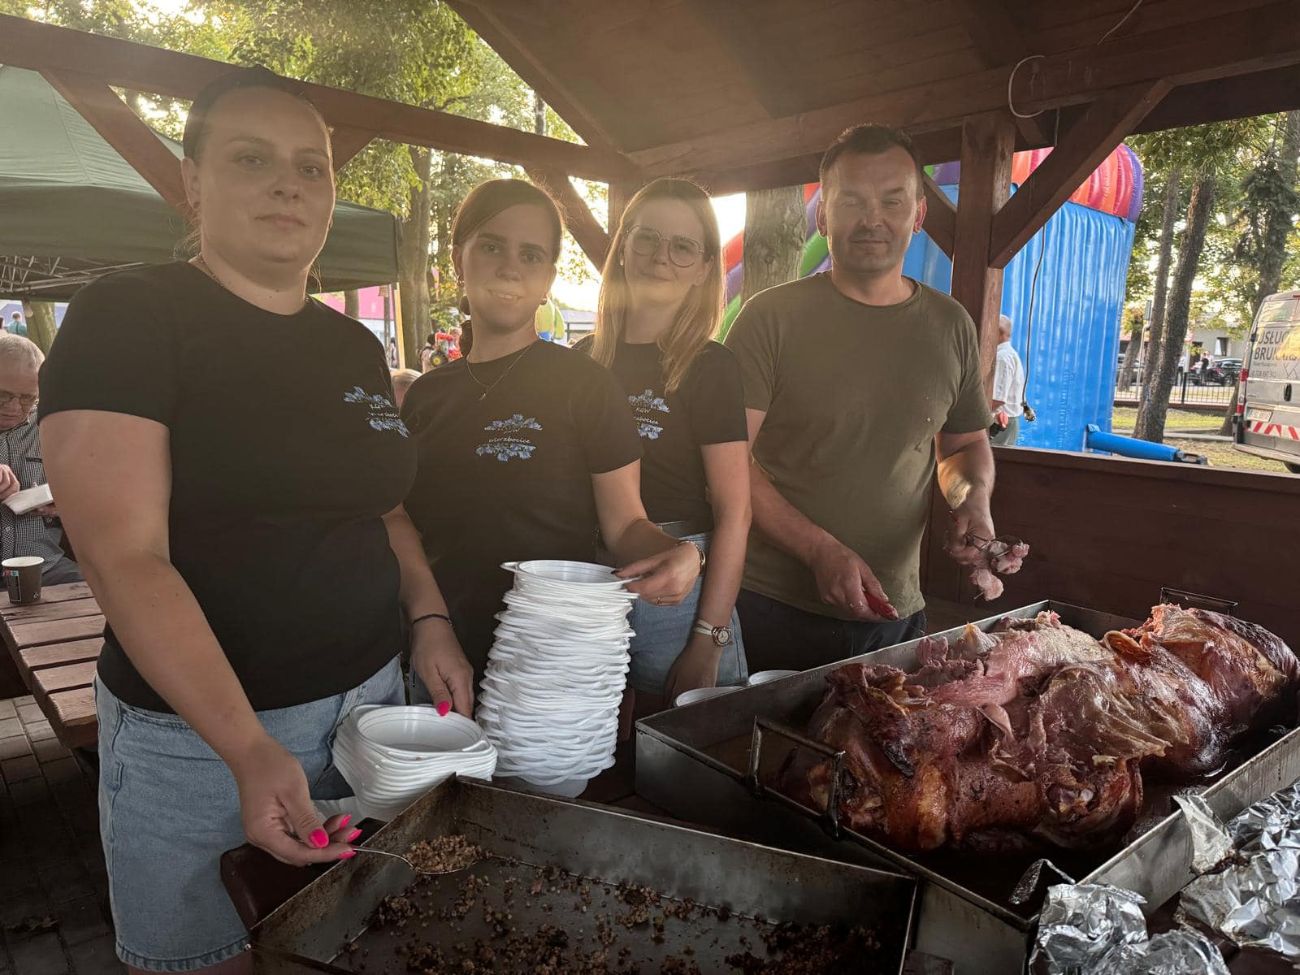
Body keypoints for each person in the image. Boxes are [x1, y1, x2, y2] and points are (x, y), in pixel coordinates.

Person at [37, 67, 471, 974]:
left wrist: (427, 617)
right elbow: (124, 557)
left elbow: (382, 507)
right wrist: (245, 746)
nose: (288, 183)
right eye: (252, 158)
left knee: (351, 942)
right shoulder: (131, 314)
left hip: (371, 711)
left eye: (311, 167)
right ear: (192, 179)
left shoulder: (351, 342)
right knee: (215, 961)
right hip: (198, 740)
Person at [400, 178, 703, 684]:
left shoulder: (584, 385)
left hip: (550, 661)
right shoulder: (427, 396)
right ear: (458, 259)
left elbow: (625, 525)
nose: (510, 266)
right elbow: (400, 525)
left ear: (548, 279)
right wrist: (426, 621)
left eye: (532, 255)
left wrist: (682, 553)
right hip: (437, 647)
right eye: (492, 246)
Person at [725, 123, 1000, 673]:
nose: (872, 218)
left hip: (896, 613)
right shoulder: (769, 319)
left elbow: (962, 445)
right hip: (767, 604)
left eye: (892, 201)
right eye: (851, 200)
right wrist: (817, 549)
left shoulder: (951, 325)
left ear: (918, 215)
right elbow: (727, 462)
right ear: (823, 215)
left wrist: (971, 498)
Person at [578, 178, 750, 713]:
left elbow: (735, 511)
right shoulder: (582, 360)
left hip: (680, 582)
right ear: (624, 247)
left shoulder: (710, 365)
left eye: (683, 246)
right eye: (647, 238)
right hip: (586, 579)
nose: (661, 257)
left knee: (680, 769)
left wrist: (707, 638)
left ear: (704, 268)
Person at [0, 334, 81, 584]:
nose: (14, 408)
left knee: (107, 596)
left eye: (27, 398)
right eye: (2, 395)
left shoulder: (52, 424)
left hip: (45, 567)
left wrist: (69, 503)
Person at [990, 314, 1026, 446]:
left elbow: (997, 399)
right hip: (1005, 422)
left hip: (1000, 423)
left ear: (997, 332)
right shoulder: (1009, 354)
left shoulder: (1002, 358)